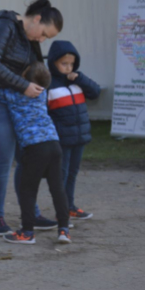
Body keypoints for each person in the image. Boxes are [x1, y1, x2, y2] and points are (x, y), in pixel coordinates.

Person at [0, 0, 62, 236]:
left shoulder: (29, 39)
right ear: (37, 19)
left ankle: (31, 214)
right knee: (2, 159)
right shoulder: (4, 25)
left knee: (26, 156)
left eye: (46, 39)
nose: (42, 40)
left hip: (12, 101)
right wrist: (23, 86)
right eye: (44, 34)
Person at [0, 62, 72, 245]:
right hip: (54, 143)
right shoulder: (43, 94)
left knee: (28, 190)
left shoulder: (17, 94)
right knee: (57, 188)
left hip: (35, 147)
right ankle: (64, 230)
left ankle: (27, 232)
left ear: (25, 79)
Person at [47, 40, 101, 219]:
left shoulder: (78, 79)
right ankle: (61, 212)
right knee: (61, 175)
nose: (68, 67)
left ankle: (69, 206)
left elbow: (95, 92)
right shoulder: (49, 84)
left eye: (71, 64)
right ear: (53, 62)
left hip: (79, 137)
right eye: (64, 64)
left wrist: (80, 78)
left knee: (72, 173)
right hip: (62, 139)